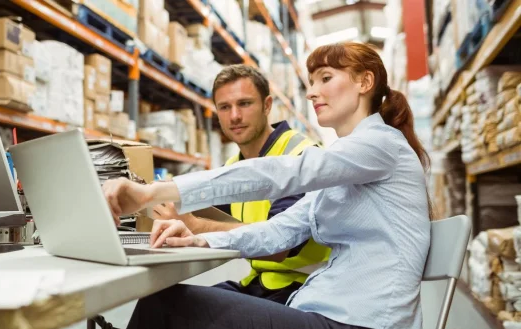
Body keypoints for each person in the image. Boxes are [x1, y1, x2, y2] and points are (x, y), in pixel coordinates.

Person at [103, 42, 433, 329]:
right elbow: (278, 232)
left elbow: (275, 173)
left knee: (164, 305)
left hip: (362, 322)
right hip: (321, 309)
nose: (311, 92)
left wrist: (151, 192)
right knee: (165, 304)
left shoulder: (381, 145)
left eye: (326, 79)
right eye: (311, 82)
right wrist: (199, 239)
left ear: (365, 82)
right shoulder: (345, 166)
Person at [152, 64, 330, 304]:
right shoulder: (234, 165)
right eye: (225, 107)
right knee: (162, 301)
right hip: (260, 283)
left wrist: (195, 225)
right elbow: (209, 213)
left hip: (303, 289)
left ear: (267, 106)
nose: (234, 116)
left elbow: (278, 247)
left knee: (168, 309)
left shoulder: (300, 156)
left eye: (244, 104)